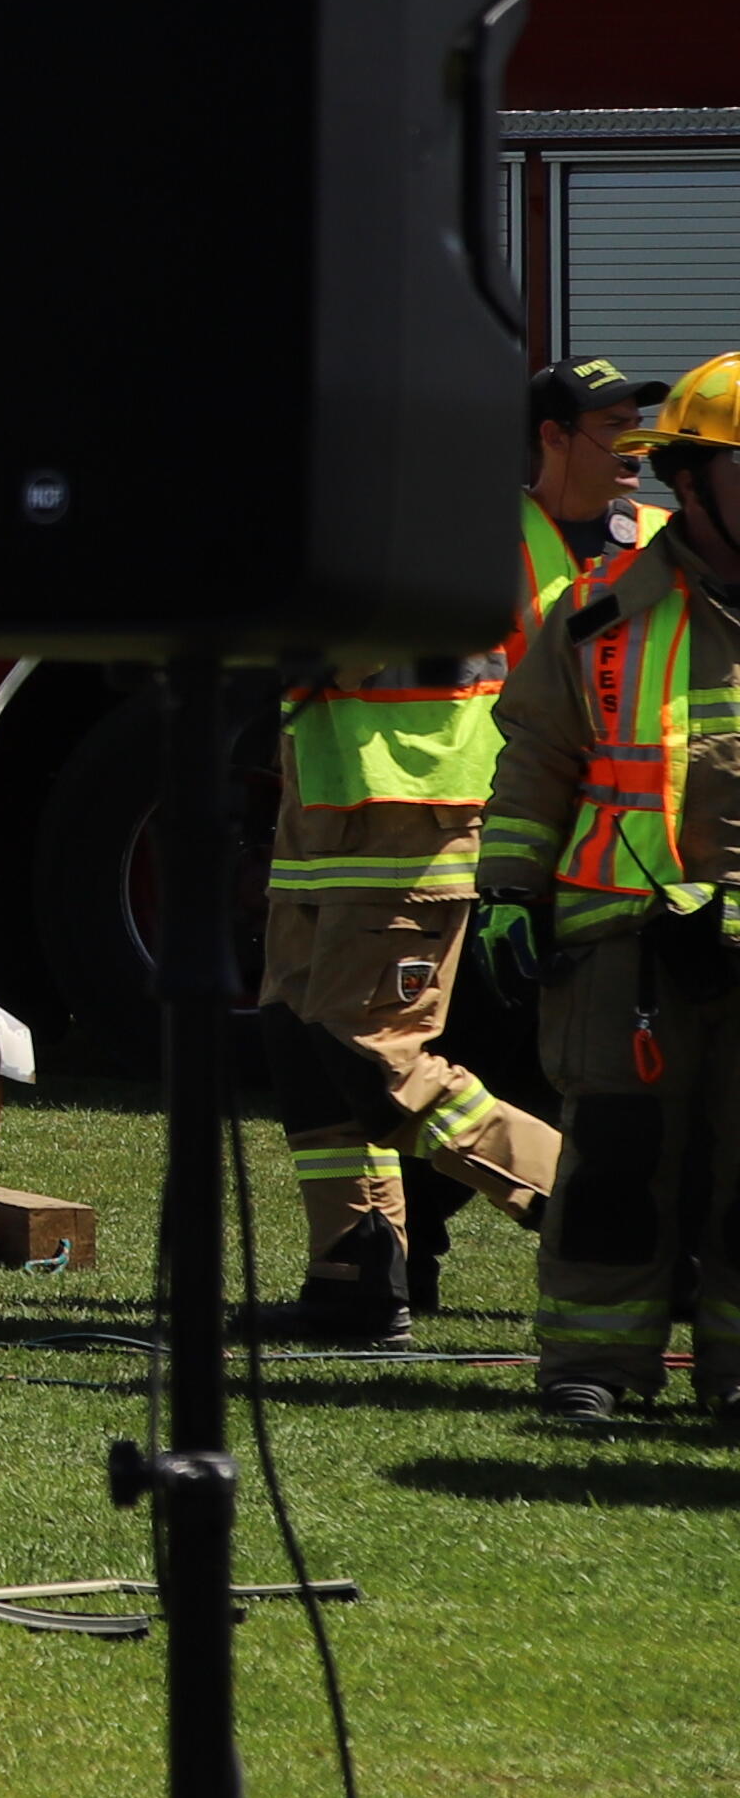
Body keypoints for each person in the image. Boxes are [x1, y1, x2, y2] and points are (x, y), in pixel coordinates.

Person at [263, 356, 634, 1340]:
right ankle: (355, 1275)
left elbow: (329, 645)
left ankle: (616, 1225)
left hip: (413, 813)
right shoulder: (432, 517)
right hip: (333, 807)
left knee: (376, 1056)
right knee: (306, 1047)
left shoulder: (422, 521)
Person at [481, 346, 740, 1428]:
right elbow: (538, 757)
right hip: (622, 949)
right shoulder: (599, 611)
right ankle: (593, 1363)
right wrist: (507, 889)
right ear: (691, 479)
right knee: (615, 1163)